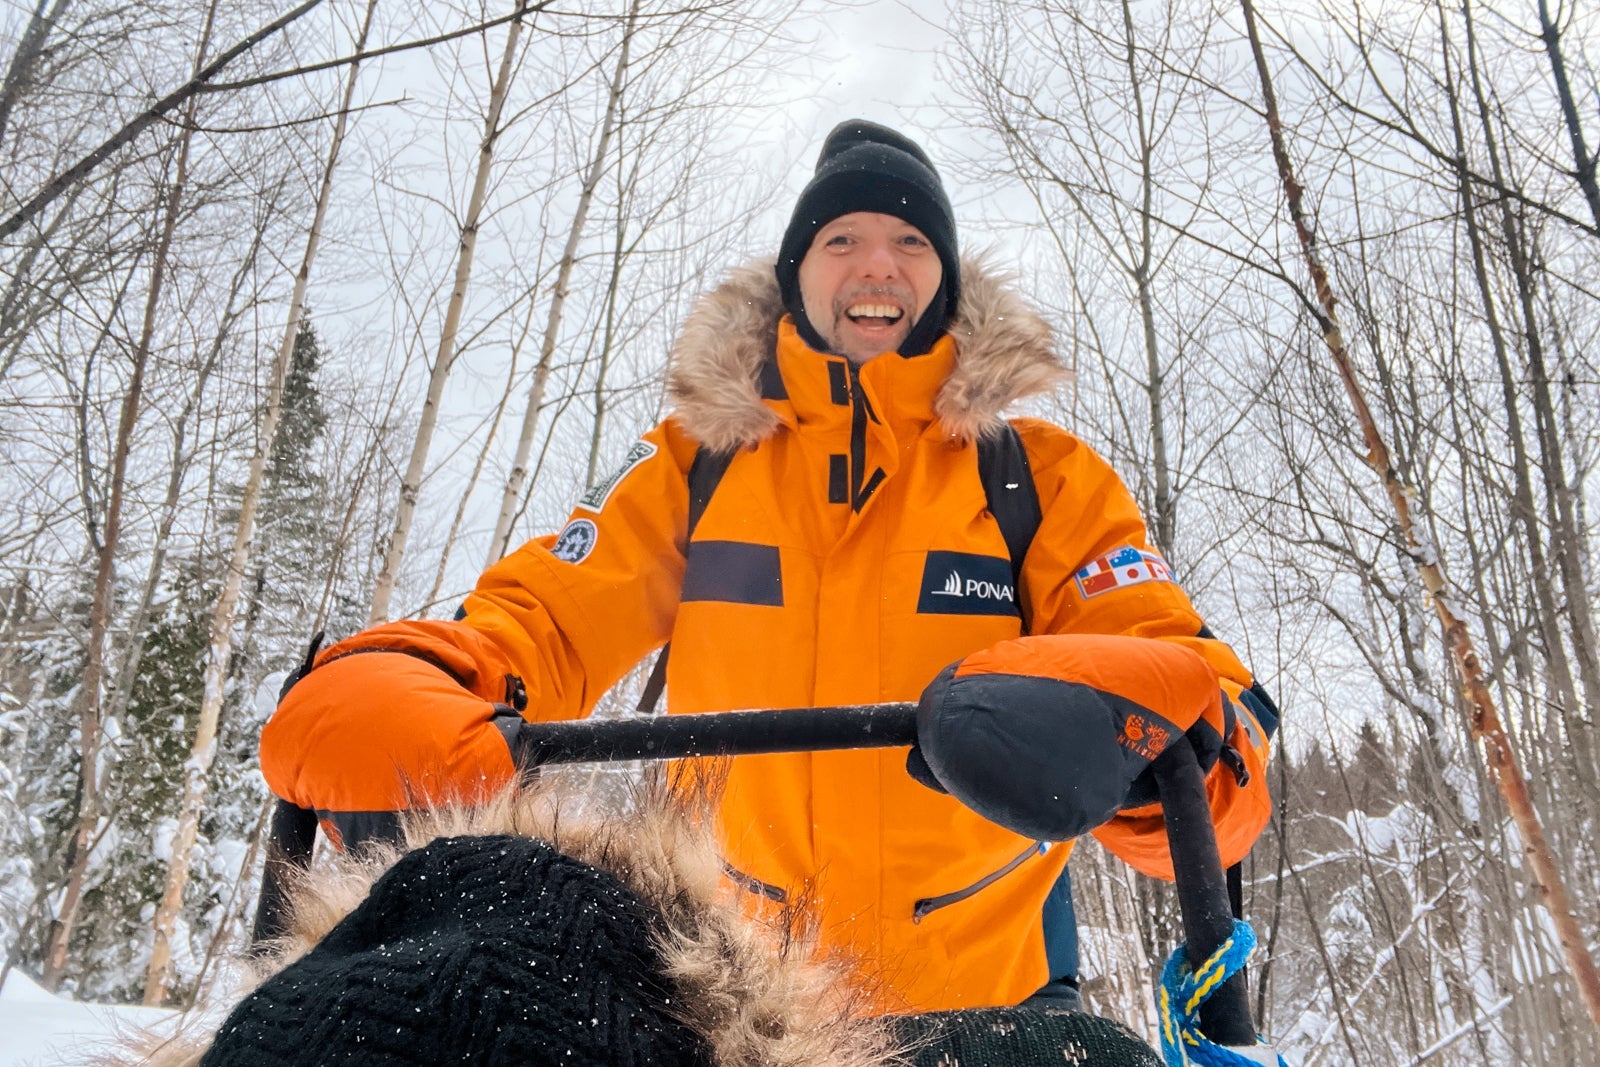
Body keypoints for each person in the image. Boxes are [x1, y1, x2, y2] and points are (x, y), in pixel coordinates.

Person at [260, 120, 1274, 1014]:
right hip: (739, 1007)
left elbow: (1170, 661)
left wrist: (1164, 728)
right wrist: (432, 670)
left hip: (988, 998)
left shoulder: (1038, 477)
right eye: (842, 240)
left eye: (910, 242)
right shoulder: (697, 463)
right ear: (796, 273)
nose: (875, 265)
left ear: (947, 282)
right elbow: (551, 612)